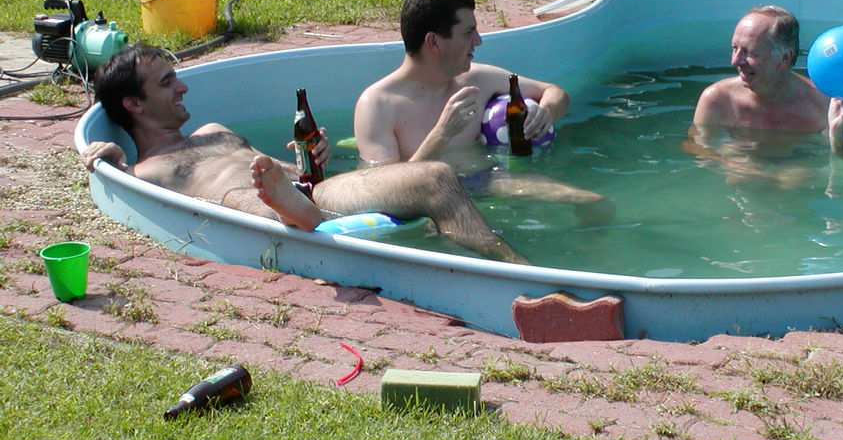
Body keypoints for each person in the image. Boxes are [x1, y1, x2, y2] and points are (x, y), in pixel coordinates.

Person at [80, 44, 527, 264]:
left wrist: (311, 159)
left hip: (314, 194)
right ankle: (288, 208)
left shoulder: (214, 131)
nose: (182, 87)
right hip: (253, 207)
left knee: (436, 176)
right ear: (133, 105)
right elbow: (132, 195)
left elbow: (277, 169)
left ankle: (515, 269)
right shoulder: (146, 170)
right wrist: (111, 158)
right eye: (166, 83)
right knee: (243, 193)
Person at [354, 0, 602, 203]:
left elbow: (555, 92)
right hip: (428, 200)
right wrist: (442, 134)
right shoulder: (378, 104)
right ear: (433, 42)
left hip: (487, 181)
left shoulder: (477, 79)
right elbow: (384, 191)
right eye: (468, 32)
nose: (478, 40)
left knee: (592, 202)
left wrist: (545, 113)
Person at [685, 6, 843, 189]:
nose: (735, 61)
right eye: (735, 48)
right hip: (740, 170)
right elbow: (695, 146)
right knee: (741, 178)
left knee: (796, 180)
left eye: (750, 52)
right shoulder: (718, 99)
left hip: (796, 170)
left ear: (784, 58)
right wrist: (731, 164)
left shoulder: (822, 104)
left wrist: (838, 135)